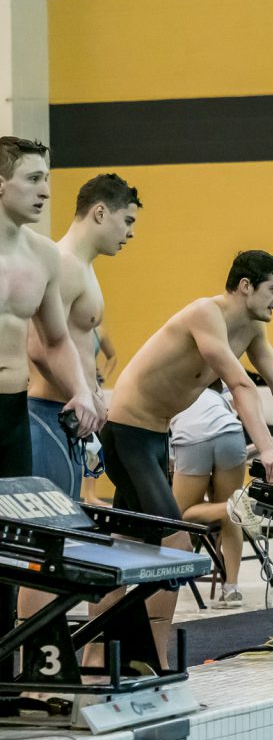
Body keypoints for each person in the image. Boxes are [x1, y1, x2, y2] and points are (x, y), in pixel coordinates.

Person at [98, 250, 273, 666]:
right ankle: (153, 659)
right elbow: (239, 383)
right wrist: (270, 447)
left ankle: (106, 655)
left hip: (154, 437)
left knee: (125, 548)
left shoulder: (251, 331)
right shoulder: (206, 314)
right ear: (245, 286)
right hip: (126, 434)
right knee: (175, 544)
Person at [27, 173, 140, 503]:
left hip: (69, 418)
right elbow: (38, 344)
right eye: (128, 221)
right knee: (47, 537)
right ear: (101, 213)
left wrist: (91, 393)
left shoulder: (84, 268)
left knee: (67, 531)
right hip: (48, 414)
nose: (131, 233)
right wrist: (83, 394)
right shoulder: (65, 264)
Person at [0, 136, 102, 479]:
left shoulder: (44, 256)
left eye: (46, 179)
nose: (45, 191)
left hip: (13, 412)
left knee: (16, 526)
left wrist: (81, 391)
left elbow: (56, 341)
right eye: (33, 179)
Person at [169, 381, 249, 608]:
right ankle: (231, 588)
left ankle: (225, 508)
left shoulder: (173, 381)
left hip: (193, 438)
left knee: (179, 515)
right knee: (228, 513)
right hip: (232, 434)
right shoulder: (218, 385)